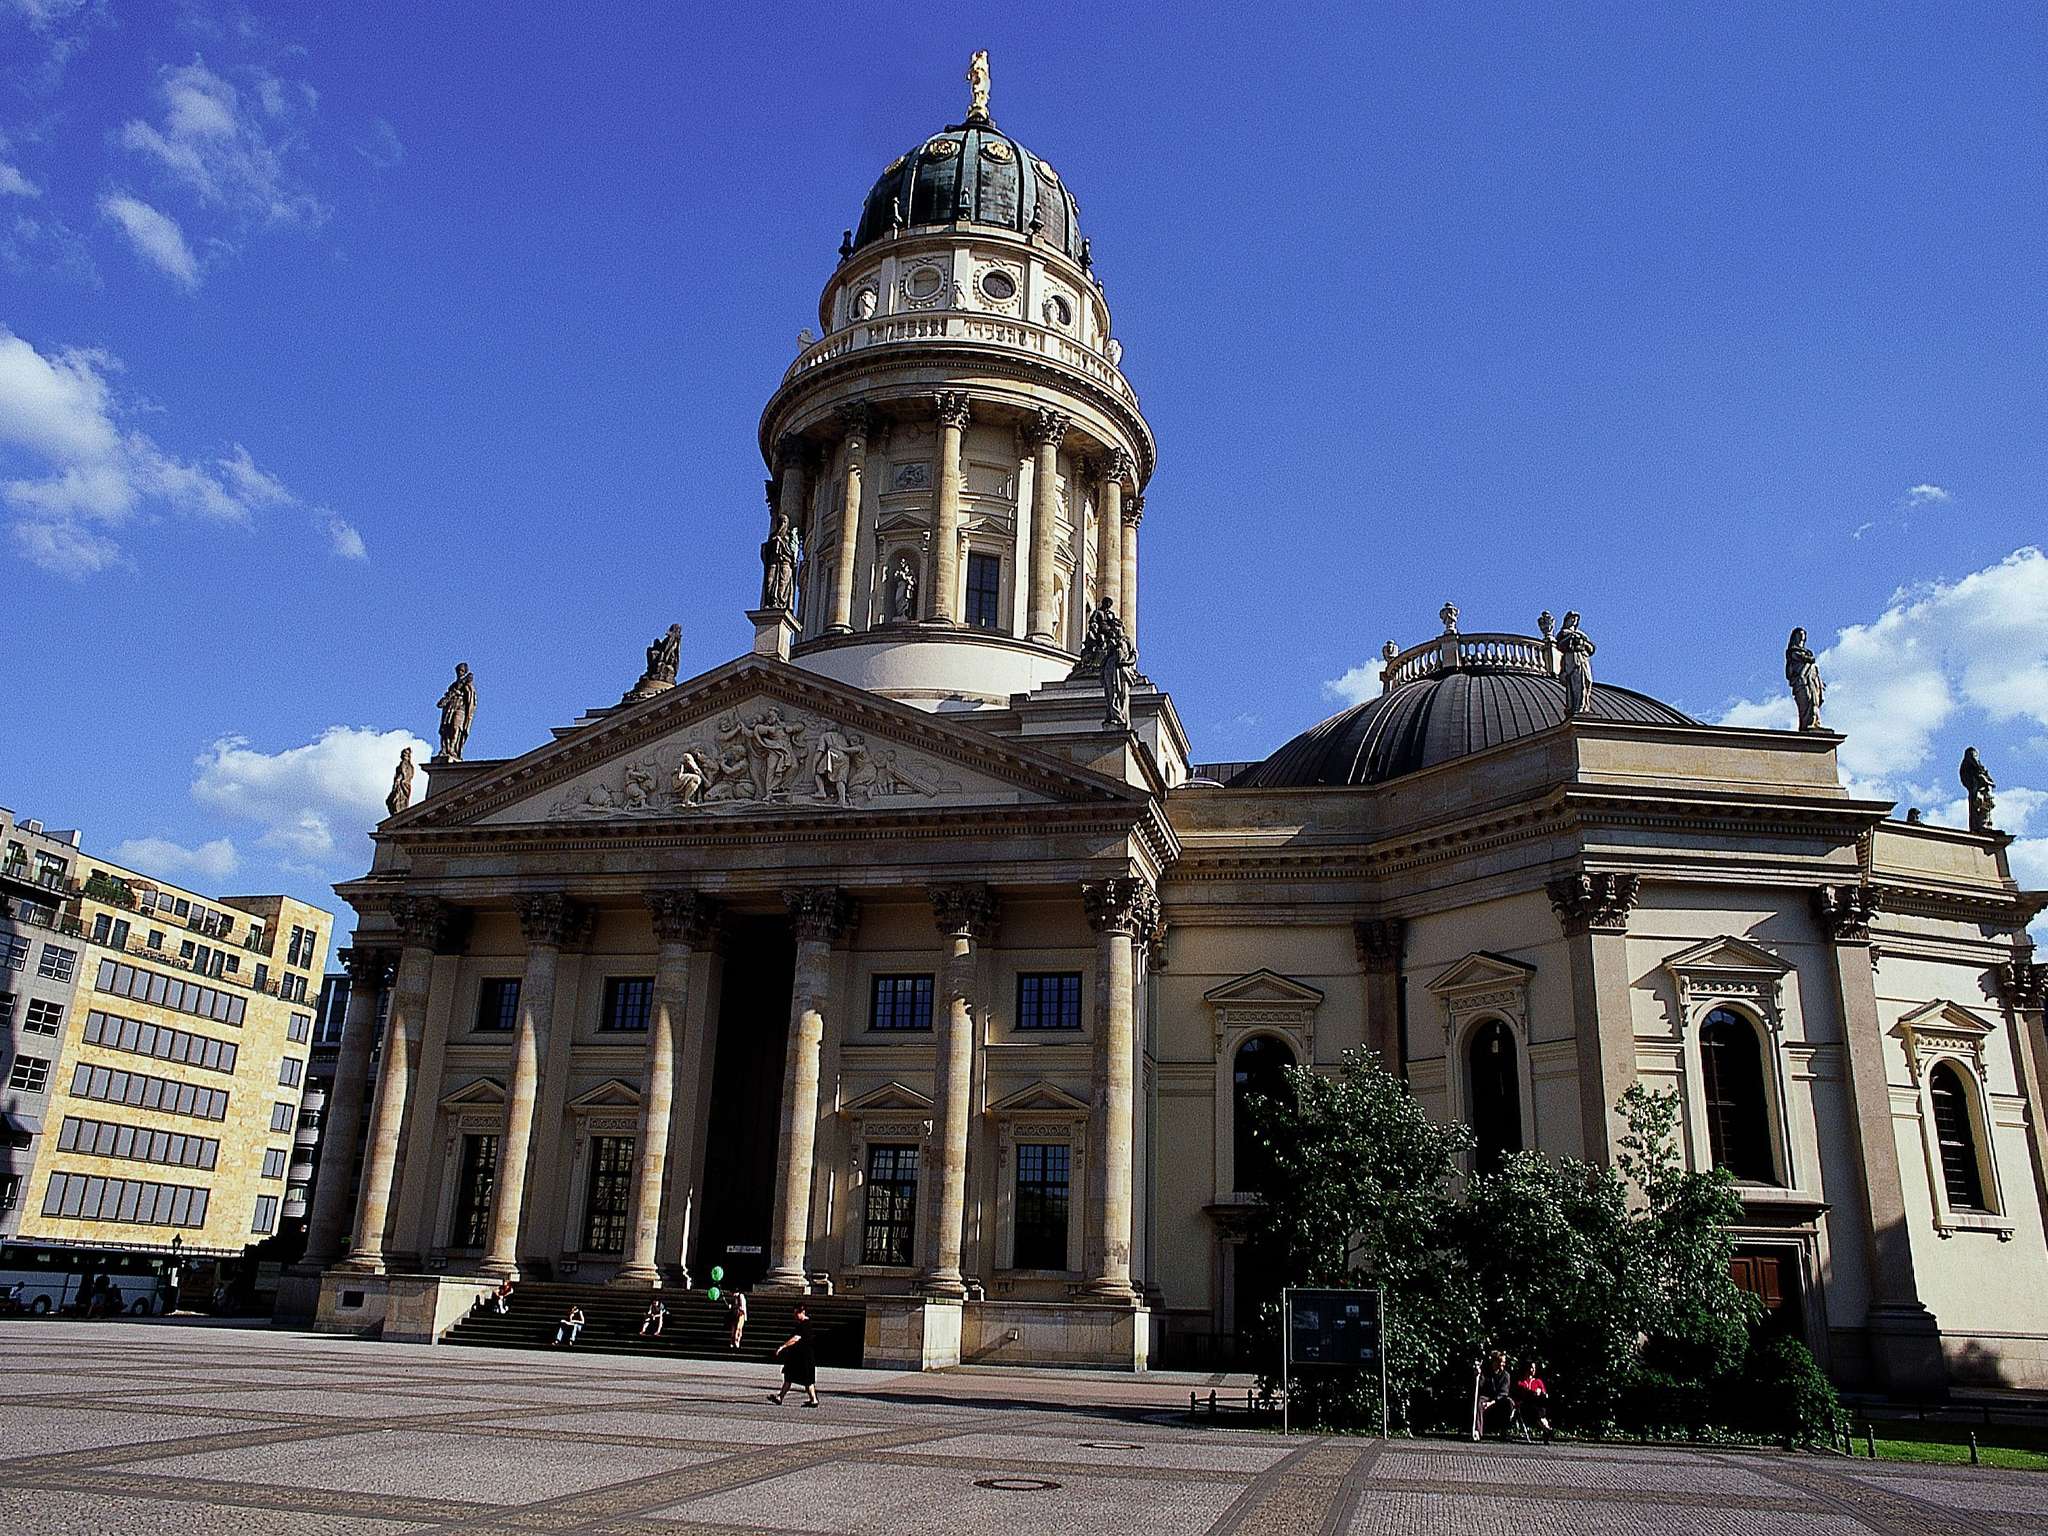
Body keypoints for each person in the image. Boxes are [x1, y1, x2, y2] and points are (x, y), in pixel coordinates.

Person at [770, 1304, 819, 1407]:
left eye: (797, 1313)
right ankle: (780, 1397)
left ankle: (813, 1400)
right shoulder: (804, 1324)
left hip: (804, 1357)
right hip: (800, 1357)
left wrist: (782, 1347)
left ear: (803, 1312)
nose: (795, 1315)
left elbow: (796, 1338)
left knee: (806, 1380)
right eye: (794, 1313)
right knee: (790, 1377)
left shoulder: (805, 1324)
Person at [1472, 1350, 1515, 1441]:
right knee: (1479, 1401)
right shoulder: (1486, 1373)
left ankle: (1504, 1432)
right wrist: (1477, 1376)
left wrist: (1490, 1403)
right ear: (1495, 1362)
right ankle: (1478, 1431)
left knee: (1509, 1402)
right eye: (1501, 1362)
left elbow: (1503, 1393)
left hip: (1499, 1400)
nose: (1503, 1364)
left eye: (1504, 1362)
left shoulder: (1506, 1375)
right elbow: (1480, 1386)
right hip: (1487, 1397)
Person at [1515, 1360, 1555, 1443]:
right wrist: (1533, 1393)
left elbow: (1544, 1394)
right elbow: (1522, 1393)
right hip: (1526, 1407)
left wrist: (1540, 1392)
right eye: (1531, 1368)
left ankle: (1547, 1430)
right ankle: (1547, 1429)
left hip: (1539, 1405)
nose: (1533, 1370)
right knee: (1536, 1409)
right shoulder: (1521, 1382)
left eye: (1534, 1368)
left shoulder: (1538, 1382)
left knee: (1539, 1409)